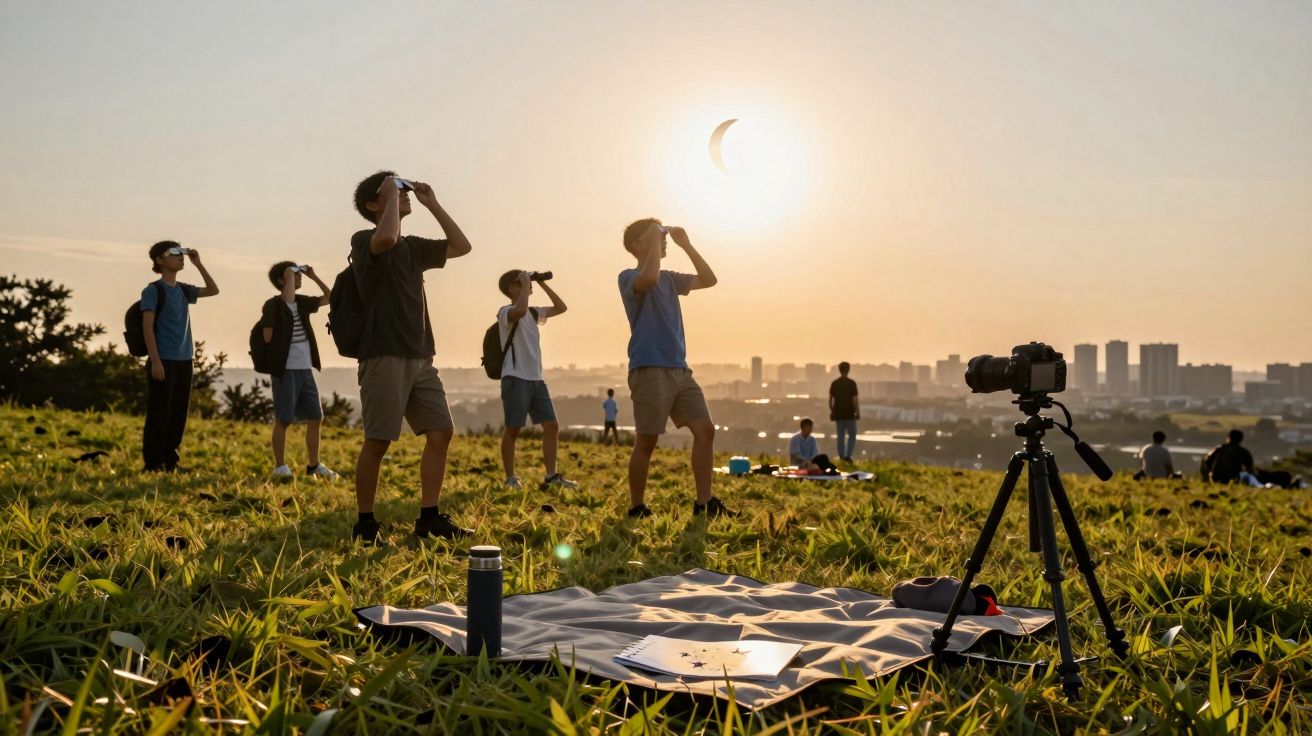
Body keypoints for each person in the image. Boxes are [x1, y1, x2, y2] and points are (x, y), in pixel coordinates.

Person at [348, 171, 473, 545]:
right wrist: (389, 187)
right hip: (383, 355)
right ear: (374, 204)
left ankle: (430, 518)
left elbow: (461, 246)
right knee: (379, 441)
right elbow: (385, 236)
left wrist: (431, 203)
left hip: (421, 356)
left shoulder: (414, 247)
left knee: (441, 432)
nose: (403, 193)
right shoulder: (364, 240)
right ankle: (365, 524)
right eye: (394, 191)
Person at [619, 218, 736, 519]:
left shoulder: (671, 279)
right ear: (636, 245)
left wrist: (686, 244)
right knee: (647, 441)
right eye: (656, 236)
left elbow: (709, 279)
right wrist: (655, 242)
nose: (664, 240)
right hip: (649, 369)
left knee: (705, 431)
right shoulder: (628, 276)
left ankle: (704, 504)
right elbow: (648, 277)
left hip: (679, 370)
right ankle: (636, 508)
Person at [140, 241, 219, 472]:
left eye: (181, 252)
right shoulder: (153, 290)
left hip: (185, 359)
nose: (180, 257)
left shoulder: (183, 289)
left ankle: (170, 462)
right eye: (174, 253)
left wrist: (198, 264)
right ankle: (152, 464)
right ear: (159, 260)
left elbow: (213, 290)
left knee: (177, 414)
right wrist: (155, 361)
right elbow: (147, 327)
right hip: (163, 359)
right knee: (159, 413)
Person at [496, 269, 577, 491]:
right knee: (513, 429)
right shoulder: (506, 311)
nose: (526, 284)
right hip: (515, 377)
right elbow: (519, 309)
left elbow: (561, 308)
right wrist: (525, 284)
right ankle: (510, 478)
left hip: (536, 379)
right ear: (511, 288)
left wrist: (540, 283)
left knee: (551, 426)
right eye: (520, 282)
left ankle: (552, 476)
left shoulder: (533, 313)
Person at [261, 261, 337, 480]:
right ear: (281, 280)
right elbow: (268, 337)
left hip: (305, 368)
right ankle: (280, 467)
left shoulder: (303, 303)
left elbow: (329, 297)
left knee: (316, 416)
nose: (299, 276)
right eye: (293, 274)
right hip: (285, 370)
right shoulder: (272, 305)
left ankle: (314, 465)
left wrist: (314, 276)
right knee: (283, 419)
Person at [829, 362, 859, 463]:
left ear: (839, 370)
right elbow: (855, 399)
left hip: (838, 414)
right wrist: (857, 412)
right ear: (848, 369)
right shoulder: (851, 383)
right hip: (850, 414)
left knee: (840, 436)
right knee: (852, 435)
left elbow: (830, 400)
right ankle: (848, 455)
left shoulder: (835, 383)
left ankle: (841, 456)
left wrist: (832, 411)